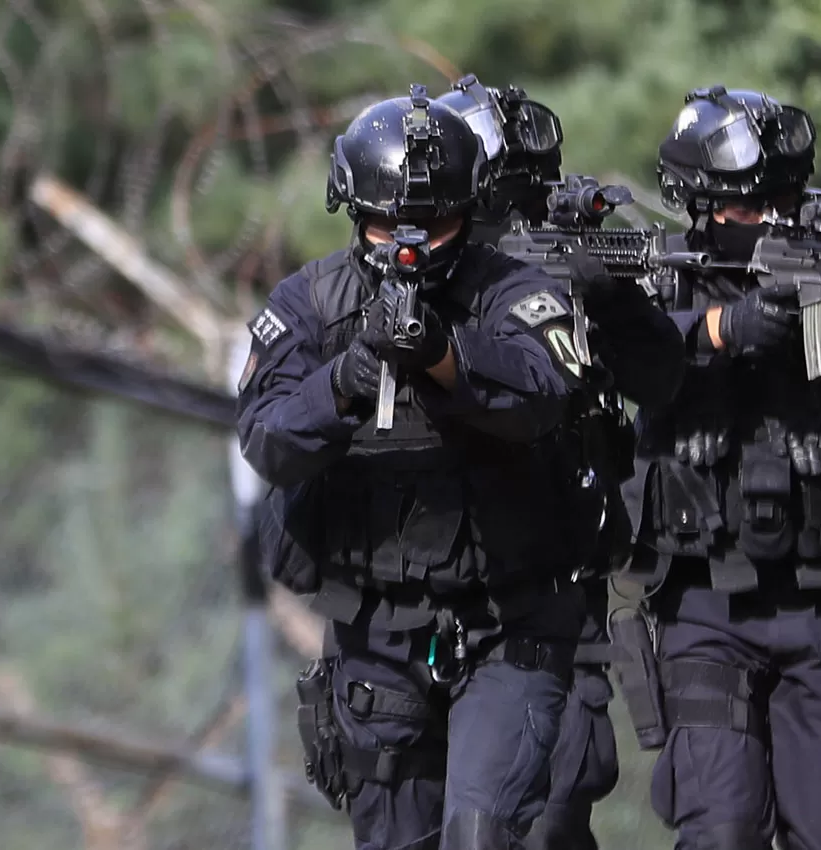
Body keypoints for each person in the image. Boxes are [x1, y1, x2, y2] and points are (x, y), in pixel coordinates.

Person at [237, 85, 593, 850]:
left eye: (435, 227)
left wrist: (444, 358)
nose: (409, 245)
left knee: (480, 832)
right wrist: (346, 382)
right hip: (377, 634)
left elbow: (544, 392)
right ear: (350, 209)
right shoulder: (311, 304)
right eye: (385, 224)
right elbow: (266, 439)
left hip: (508, 626)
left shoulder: (513, 289)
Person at [615, 85, 821, 850]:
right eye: (745, 207)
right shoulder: (665, 278)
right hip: (705, 607)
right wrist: (725, 329)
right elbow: (621, 359)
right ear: (698, 203)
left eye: (784, 198)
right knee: (721, 828)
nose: (769, 217)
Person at [435, 74, 687, 850]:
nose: (523, 215)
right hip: (430, 596)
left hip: (549, 595)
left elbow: (661, 378)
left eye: (530, 196)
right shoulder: (408, 283)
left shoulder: (569, 264)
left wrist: (602, 298)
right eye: (503, 200)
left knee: (549, 814)